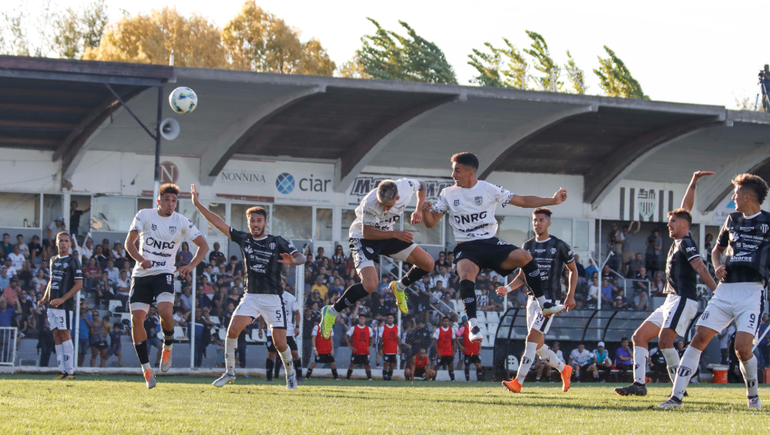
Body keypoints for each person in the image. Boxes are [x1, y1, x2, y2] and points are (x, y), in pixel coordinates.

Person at [421, 152, 567, 344]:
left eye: (457, 170)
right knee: (466, 273)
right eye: (453, 170)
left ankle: (543, 304)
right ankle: (473, 325)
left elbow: (522, 201)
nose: (453, 175)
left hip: (491, 242)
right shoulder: (448, 194)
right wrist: (424, 211)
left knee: (524, 256)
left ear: (470, 172)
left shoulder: (488, 189)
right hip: (467, 247)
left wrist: (552, 200)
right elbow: (431, 223)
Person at [660, 173, 770, 409]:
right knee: (699, 337)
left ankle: (753, 397)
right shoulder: (732, 219)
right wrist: (718, 264)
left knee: (742, 349)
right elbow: (716, 251)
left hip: (752, 291)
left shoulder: (768, 222)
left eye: (736, 193)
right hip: (725, 290)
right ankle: (676, 397)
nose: (734, 197)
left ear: (747, 195)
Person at [192, 184, 304, 390]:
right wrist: (198, 205)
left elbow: (301, 257)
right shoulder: (245, 239)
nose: (255, 224)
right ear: (248, 223)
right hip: (251, 296)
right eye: (252, 221)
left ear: (265, 223)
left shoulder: (276, 241)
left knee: (280, 343)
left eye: (259, 220)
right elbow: (218, 222)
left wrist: (295, 261)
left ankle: (290, 374)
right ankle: (230, 372)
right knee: (232, 330)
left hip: (273, 298)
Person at [319, 178, 433, 340]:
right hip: (363, 238)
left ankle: (399, 287)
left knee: (428, 263)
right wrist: (395, 233)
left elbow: (421, 184)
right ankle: (331, 311)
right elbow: (368, 233)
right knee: (371, 284)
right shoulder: (370, 202)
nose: (385, 209)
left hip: (387, 235)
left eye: (388, 205)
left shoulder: (406, 187)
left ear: (398, 198)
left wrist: (419, 209)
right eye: (382, 205)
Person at [124, 183, 207, 388]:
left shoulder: (181, 221)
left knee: (165, 311)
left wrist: (190, 265)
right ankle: (146, 369)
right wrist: (141, 259)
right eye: (167, 200)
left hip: (164, 273)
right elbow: (129, 243)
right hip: (142, 273)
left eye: (174, 201)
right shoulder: (144, 215)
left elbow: (203, 246)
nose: (171, 204)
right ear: (159, 201)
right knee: (137, 320)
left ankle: (167, 344)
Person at [498, 207, 576, 393]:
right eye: (535, 220)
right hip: (531, 301)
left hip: (548, 302)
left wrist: (570, 295)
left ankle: (518, 382)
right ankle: (565, 369)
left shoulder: (559, 245)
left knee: (531, 340)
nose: (537, 223)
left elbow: (573, 269)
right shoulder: (527, 246)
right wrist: (507, 289)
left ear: (548, 223)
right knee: (538, 346)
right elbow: (523, 275)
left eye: (541, 220)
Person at [39, 232, 82, 380]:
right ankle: (62, 370)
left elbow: (79, 284)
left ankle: (70, 372)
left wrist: (63, 299)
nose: (63, 243)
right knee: (56, 335)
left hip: (64, 305)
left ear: (70, 244)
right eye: (60, 241)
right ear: (56, 243)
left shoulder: (73, 261)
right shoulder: (53, 260)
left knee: (65, 334)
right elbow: (51, 281)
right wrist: (45, 298)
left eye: (66, 241)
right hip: (52, 305)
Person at [268, 288, 304, 382]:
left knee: (295, 353)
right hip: (272, 329)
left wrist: (297, 327)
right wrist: (261, 328)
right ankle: (269, 378)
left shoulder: (290, 297)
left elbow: (297, 313)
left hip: (288, 330)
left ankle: (299, 376)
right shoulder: (269, 296)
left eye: (282, 282)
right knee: (272, 354)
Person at [346, 314, 373, 380]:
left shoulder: (368, 329)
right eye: (360, 318)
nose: (362, 320)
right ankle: (348, 378)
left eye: (363, 318)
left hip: (365, 351)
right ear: (358, 320)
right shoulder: (354, 328)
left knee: (367, 365)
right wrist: (350, 346)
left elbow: (372, 337)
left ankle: (369, 378)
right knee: (352, 365)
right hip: (356, 351)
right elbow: (346, 336)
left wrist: (371, 345)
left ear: (365, 320)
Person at [457, 317, 483, 382]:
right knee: (467, 366)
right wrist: (461, 346)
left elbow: (479, 340)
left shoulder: (476, 329)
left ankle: (479, 380)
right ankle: (467, 380)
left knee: (478, 365)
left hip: (475, 351)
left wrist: (479, 350)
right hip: (467, 351)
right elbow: (456, 337)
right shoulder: (463, 328)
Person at [432, 316, 457, 381]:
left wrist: (454, 351)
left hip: (449, 351)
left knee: (450, 366)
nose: (445, 322)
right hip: (441, 351)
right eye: (444, 321)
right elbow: (435, 342)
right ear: (442, 322)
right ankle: (433, 379)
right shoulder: (438, 330)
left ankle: (453, 380)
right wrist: (438, 352)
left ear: (449, 322)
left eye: (447, 321)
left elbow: (454, 341)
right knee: (437, 366)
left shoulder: (452, 330)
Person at [380, 313, 399, 381]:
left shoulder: (396, 328)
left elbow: (398, 338)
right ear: (387, 319)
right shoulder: (383, 328)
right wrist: (380, 348)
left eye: (391, 318)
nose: (390, 319)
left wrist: (399, 348)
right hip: (386, 349)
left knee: (392, 365)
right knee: (386, 363)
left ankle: (389, 377)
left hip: (393, 349)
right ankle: (385, 378)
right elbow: (380, 339)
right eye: (389, 318)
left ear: (393, 319)